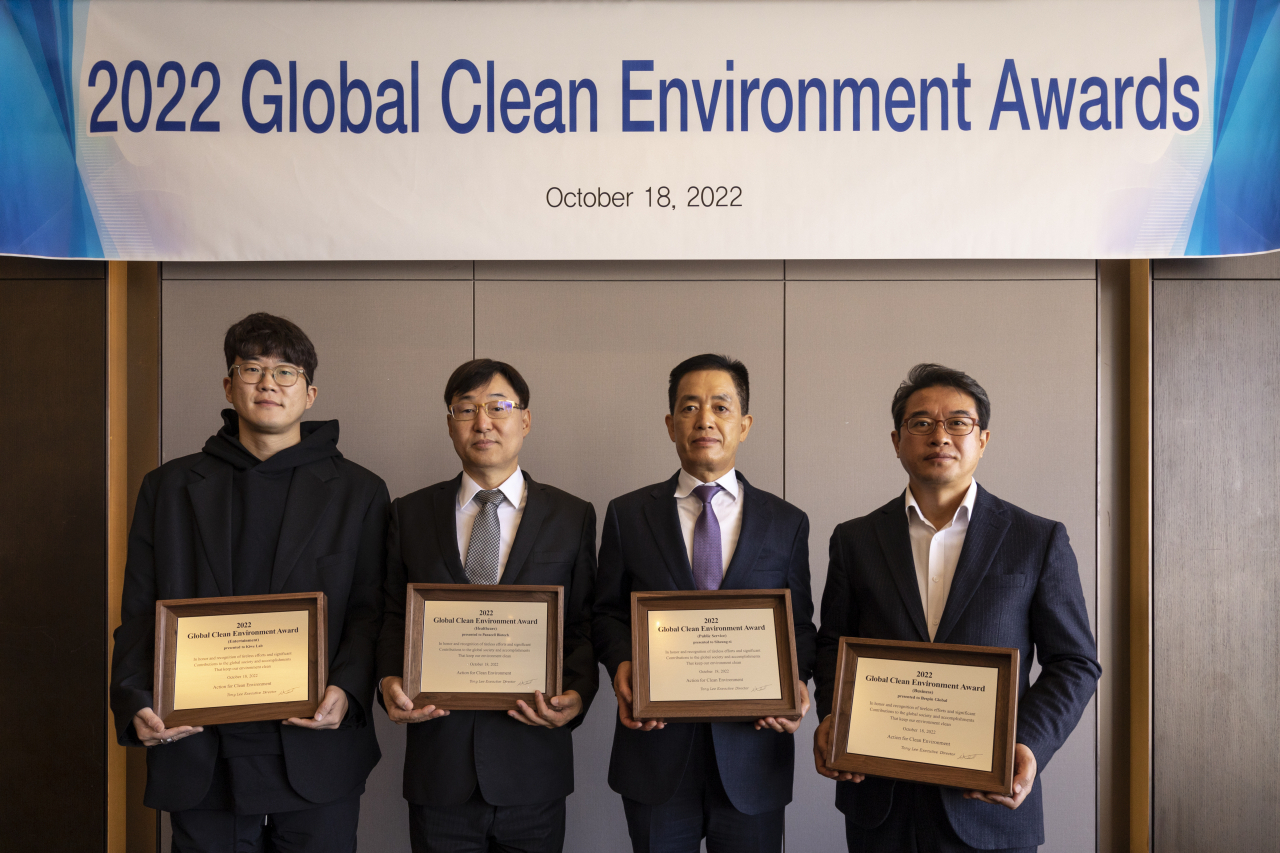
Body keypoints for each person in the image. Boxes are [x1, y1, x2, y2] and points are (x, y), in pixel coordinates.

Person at [109, 313, 389, 852]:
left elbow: (369, 608)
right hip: (198, 749)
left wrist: (347, 691)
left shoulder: (359, 491)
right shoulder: (169, 488)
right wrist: (134, 697)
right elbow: (140, 608)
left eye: (285, 371)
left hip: (314, 745)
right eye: (251, 369)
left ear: (309, 394)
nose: (267, 383)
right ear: (228, 385)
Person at [812, 363, 1101, 853]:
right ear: (897, 440)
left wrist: (1026, 744)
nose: (939, 435)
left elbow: (1075, 663)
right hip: (880, 802)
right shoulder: (855, 539)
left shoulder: (1038, 539)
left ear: (982, 439)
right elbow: (831, 646)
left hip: (989, 804)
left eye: (958, 422)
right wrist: (832, 720)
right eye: (921, 423)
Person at [593, 353, 816, 853]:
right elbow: (605, 611)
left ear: (745, 424)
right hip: (655, 750)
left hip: (753, 752)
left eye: (721, 406)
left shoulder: (786, 522)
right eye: (690, 407)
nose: (705, 420)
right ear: (671, 425)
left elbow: (799, 625)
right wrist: (623, 664)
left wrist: (795, 683)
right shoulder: (628, 515)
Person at [376, 358, 598, 853]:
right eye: (466, 409)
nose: (483, 422)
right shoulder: (408, 514)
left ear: (525, 420)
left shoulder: (572, 515)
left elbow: (582, 623)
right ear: (450, 424)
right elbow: (393, 616)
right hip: (440, 768)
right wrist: (388, 680)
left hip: (534, 764)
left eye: (499, 406)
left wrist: (578, 695)